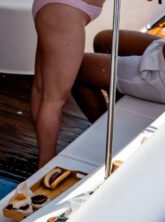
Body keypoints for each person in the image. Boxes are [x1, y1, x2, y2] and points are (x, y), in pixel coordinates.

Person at [31, 0, 106, 167]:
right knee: (54, 99)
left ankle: (44, 157)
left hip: (57, 8)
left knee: (42, 89)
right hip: (65, 11)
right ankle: (46, 162)